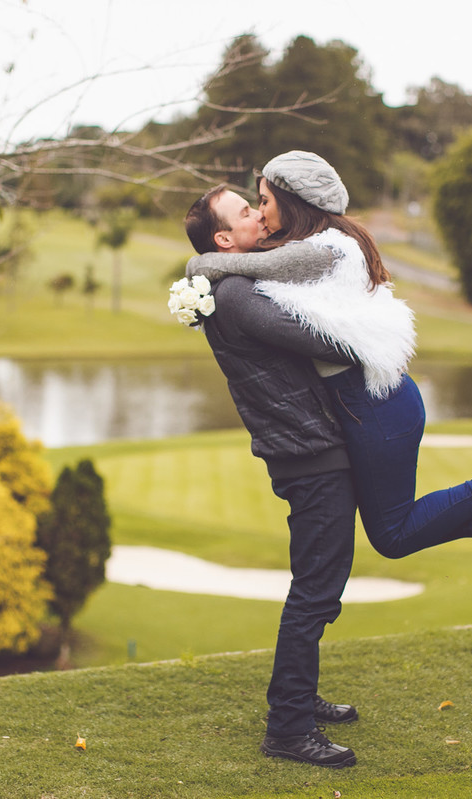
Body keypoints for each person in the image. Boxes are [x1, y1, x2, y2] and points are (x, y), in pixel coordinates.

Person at [185, 150, 472, 565]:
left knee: (392, 535)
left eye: (263, 201)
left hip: (371, 404)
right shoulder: (323, 241)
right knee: (396, 530)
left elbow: (245, 266)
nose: (261, 212)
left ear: (291, 199)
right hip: (376, 401)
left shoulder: (322, 251)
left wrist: (198, 264)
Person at [183, 185, 363, 768]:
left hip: (305, 446)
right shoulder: (235, 294)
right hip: (308, 452)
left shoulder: (235, 283)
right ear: (223, 240)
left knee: (320, 582)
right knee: (315, 589)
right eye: (245, 212)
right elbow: (324, 340)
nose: (259, 214)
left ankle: (301, 699)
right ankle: (287, 728)